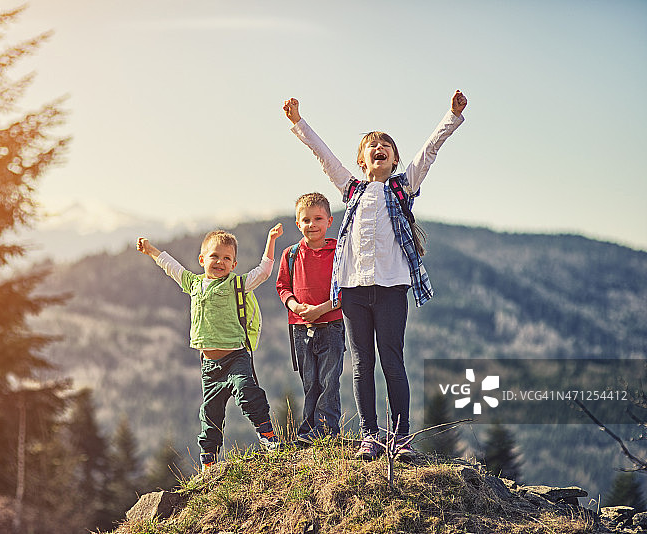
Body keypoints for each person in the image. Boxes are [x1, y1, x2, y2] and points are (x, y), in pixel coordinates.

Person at [283, 90, 468, 460]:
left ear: (395, 159)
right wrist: (298, 122)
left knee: (392, 361)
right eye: (372, 145)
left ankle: (401, 438)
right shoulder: (350, 189)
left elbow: (429, 150)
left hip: (391, 289)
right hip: (353, 291)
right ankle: (370, 434)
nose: (379, 148)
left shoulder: (402, 186)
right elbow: (324, 156)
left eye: (386, 145)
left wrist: (452, 116)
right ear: (361, 160)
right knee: (362, 364)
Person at [136, 223, 284, 469]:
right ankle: (209, 460)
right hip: (210, 366)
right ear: (202, 259)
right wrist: (151, 250)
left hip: (236, 357)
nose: (220, 262)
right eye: (214, 256)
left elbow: (264, 272)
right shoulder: (193, 283)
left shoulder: (237, 285)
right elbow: (171, 267)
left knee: (247, 392)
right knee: (210, 413)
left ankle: (267, 435)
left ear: (234, 265)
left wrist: (271, 239)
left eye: (227, 258)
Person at [276, 192, 345, 445]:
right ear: (298, 223)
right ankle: (309, 431)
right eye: (306, 220)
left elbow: (346, 289)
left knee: (329, 380)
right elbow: (283, 287)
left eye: (318, 218)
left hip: (332, 326)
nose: (312, 224)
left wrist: (321, 309)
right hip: (300, 328)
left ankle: (326, 430)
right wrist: (295, 306)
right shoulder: (291, 254)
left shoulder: (339, 252)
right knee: (310, 381)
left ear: (329, 221)